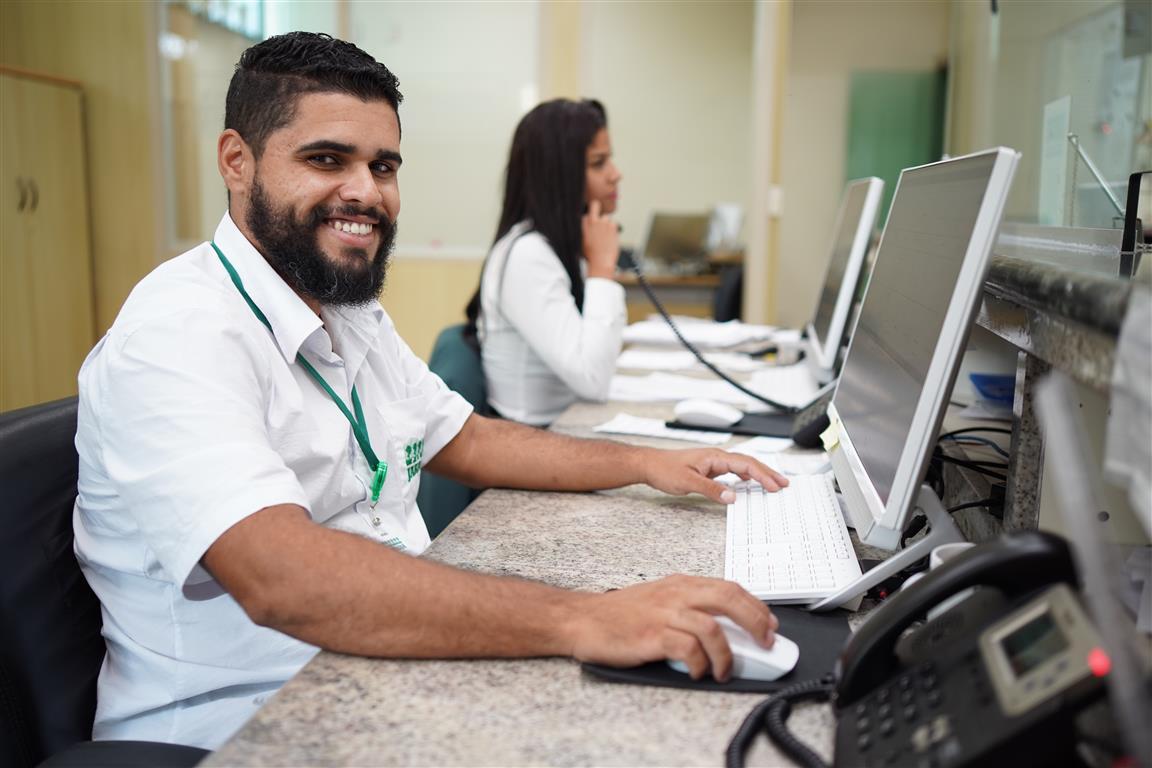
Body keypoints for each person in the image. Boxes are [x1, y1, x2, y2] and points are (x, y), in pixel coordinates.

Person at [73, 32, 788, 751]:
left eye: (383, 166)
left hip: (377, 660)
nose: (365, 191)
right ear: (237, 160)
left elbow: (468, 438)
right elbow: (280, 578)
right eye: (327, 159)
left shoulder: (345, 309)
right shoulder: (177, 333)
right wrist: (582, 617)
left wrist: (640, 462)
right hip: (243, 723)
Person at [463, 98, 624, 425]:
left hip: (561, 428)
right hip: (528, 447)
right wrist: (602, 269)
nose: (615, 175)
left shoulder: (561, 246)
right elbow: (593, 379)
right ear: (560, 175)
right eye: (598, 163)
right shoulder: (528, 255)